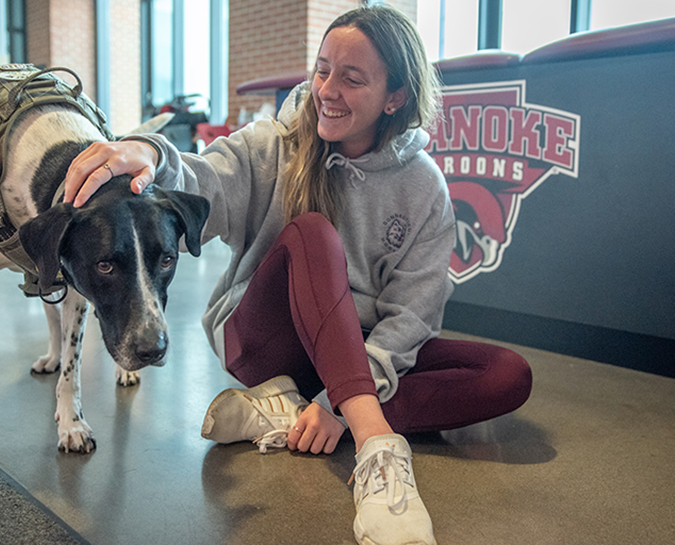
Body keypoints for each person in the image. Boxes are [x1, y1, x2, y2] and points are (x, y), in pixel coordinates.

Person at [63, 6, 532, 545]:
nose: (327, 89)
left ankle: (293, 415)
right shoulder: (277, 143)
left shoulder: (424, 186)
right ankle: (377, 449)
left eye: (352, 79)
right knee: (312, 233)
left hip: (353, 359)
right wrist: (147, 151)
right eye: (323, 69)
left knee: (507, 373)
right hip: (264, 339)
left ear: (395, 97)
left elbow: (414, 312)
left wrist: (336, 403)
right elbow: (201, 179)